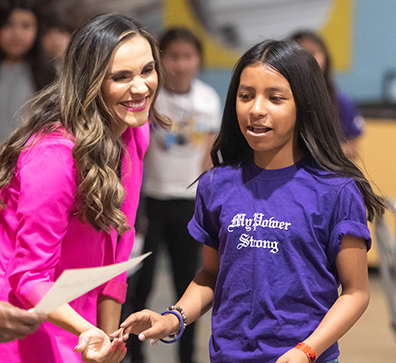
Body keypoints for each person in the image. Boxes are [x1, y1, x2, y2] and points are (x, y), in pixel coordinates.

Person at [114, 39, 386, 363]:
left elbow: (356, 292)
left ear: (304, 104)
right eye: (246, 96)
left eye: (275, 98)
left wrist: (307, 350)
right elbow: (211, 276)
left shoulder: (337, 191)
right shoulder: (217, 184)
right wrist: (173, 318)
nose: (256, 109)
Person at [0, 13, 169, 363]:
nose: (140, 88)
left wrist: (108, 336)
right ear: (90, 82)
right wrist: (86, 331)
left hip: (77, 298)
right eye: (121, 77)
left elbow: (121, 241)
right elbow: (30, 275)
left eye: (147, 70)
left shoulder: (135, 129)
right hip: (22, 306)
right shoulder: (53, 157)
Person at [122, 27, 221, 363]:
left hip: (191, 205)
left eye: (188, 56)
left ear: (198, 60)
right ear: (161, 60)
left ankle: (186, 355)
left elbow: (209, 158)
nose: (181, 63)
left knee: (188, 284)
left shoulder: (208, 100)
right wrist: (135, 207)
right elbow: (137, 153)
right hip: (150, 202)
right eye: (173, 56)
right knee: (140, 285)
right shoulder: (149, 96)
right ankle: (133, 354)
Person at [290, 30, 364, 161]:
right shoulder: (279, 102)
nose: (306, 60)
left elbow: (353, 149)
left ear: (325, 57)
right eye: (298, 54)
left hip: (326, 173)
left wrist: (321, 151)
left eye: (312, 52)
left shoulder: (342, 102)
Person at [0, 0, 56, 147]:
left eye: (26, 26)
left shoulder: (48, 73)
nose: (17, 33)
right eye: (8, 24)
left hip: (27, 159)